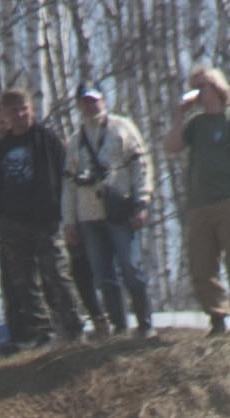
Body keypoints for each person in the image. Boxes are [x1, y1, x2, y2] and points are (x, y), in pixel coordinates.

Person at [0, 87, 84, 350]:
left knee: (57, 275)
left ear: (31, 109)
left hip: (45, 221)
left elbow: (67, 176)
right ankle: (41, 333)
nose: (19, 115)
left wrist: (70, 214)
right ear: (6, 114)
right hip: (12, 225)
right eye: (13, 111)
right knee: (24, 284)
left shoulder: (46, 139)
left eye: (23, 109)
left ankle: (73, 328)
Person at [169, 67, 230, 334]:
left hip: (227, 200)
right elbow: (171, 147)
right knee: (201, 263)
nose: (197, 93)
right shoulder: (195, 124)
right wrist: (180, 115)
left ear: (216, 88)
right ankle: (217, 316)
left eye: (201, 87)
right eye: (194, 87)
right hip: (199, 204)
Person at [67, 83, 156, 337]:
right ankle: (119, 326)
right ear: (79, 106)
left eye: (94, 100)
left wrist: (142, 201)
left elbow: (142, 165)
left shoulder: (122, 128)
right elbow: (68, 185)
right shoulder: (75, 142)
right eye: (85, 102)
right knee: (103, 274)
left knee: (131, 266)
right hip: (88, 215)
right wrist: (69, 221)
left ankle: (145, 322)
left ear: (103, 100)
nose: (91, 106)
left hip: (118, 209)